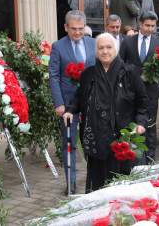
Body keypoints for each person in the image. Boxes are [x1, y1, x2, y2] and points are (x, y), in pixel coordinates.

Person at [63, 33, 149, 193]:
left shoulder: (130, 72)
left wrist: (141, 122)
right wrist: (69, 110)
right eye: (100, 47)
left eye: (109, 47)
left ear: (115, 49)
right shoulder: (88, 74)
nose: (105, 51)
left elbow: (142, 102)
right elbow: (79, 98)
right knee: (99, 184)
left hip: (124, 137)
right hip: (98, 137)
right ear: (96, 51)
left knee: (126, 186)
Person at [49, 10, 96, 195]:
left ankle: (95, 179)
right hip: (68, 104)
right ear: (66, 27)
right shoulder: (58, 47)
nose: (77, 32)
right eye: (74, 29)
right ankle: (71, 183)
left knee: (94, 140)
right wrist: (59, 103)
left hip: (93, 101)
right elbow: (53, 77)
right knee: (69, 143)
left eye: (81, 29)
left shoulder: (94, 44)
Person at [119, 11, 159, 164]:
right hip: (130, 92)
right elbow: (120, 63)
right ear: (140, 24)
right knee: (132, 124)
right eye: (147, 25)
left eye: (153, 26)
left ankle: (150, 160)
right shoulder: (128, 42)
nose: (151, 29)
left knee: (149, 126)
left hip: (150, 92)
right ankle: (133, 160)